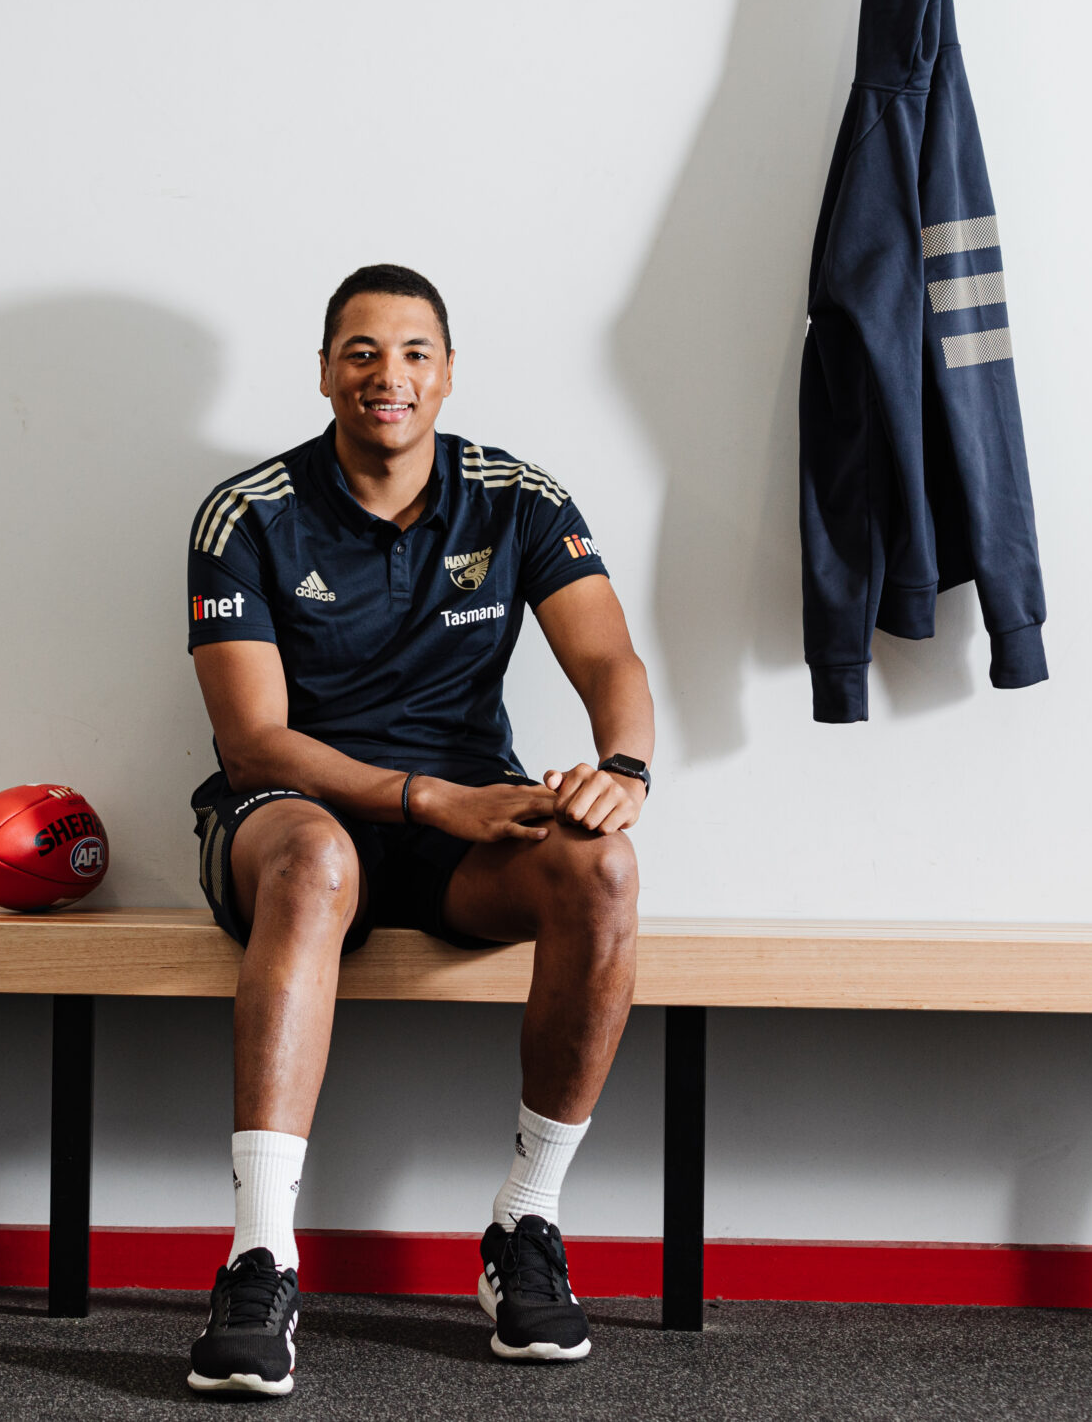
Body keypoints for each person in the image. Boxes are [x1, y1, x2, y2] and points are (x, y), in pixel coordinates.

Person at [181, 264, 655, 1396]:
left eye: (411, 354)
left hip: (461, 828)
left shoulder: (517, 498)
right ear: (324, 372)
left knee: (602, 869)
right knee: (315, 856)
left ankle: (524, 1225)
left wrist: (622, 770)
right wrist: (427, 798)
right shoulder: (247, 511)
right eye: (359, 352)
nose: (385, 376)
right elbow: (252, 742)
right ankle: (258, 1256)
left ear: (445, 373)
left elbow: (608, 659)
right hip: (288, 820)